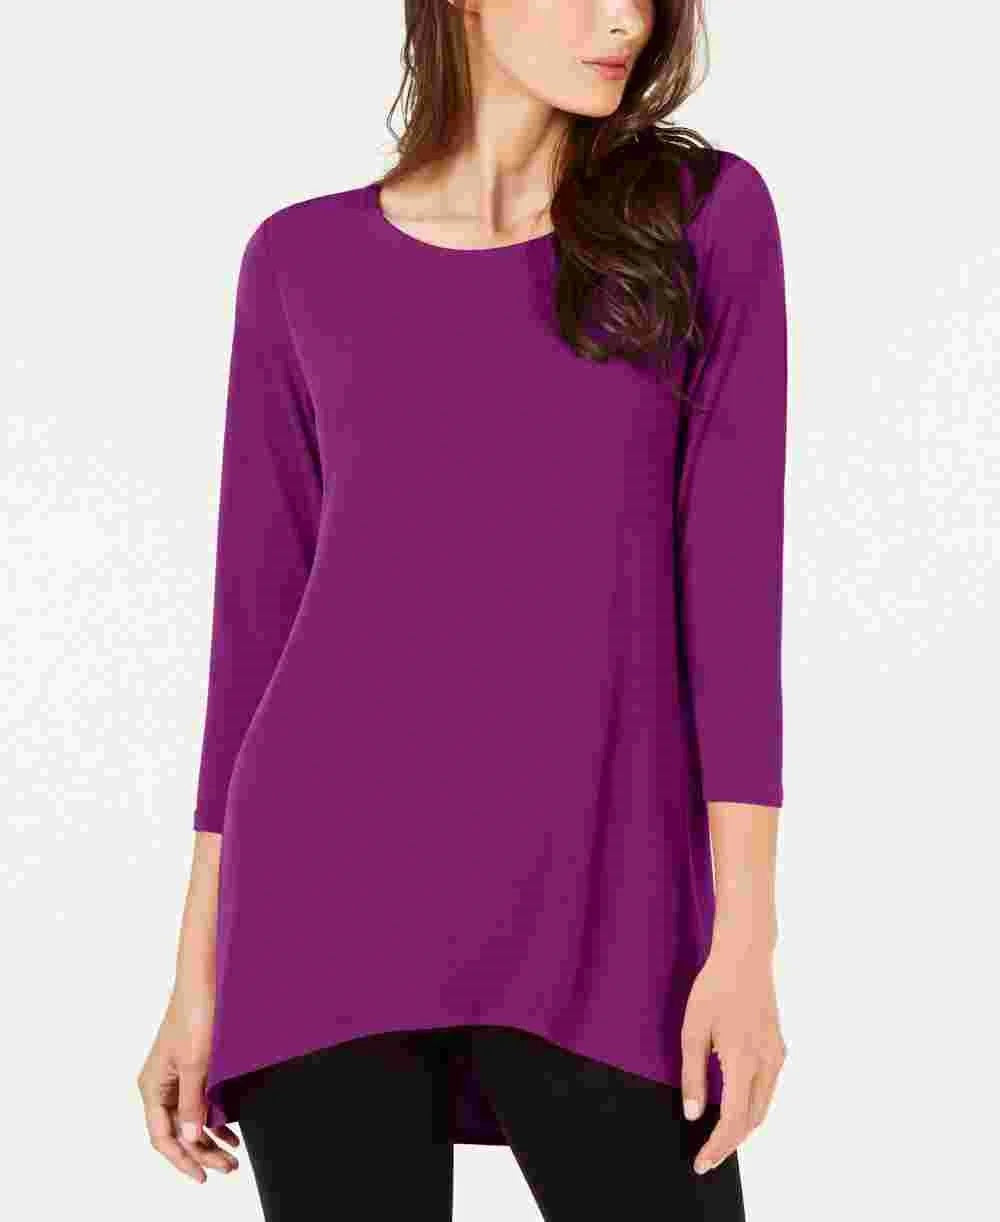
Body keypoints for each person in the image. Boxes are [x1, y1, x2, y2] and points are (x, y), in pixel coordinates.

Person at [137, 1, 789, 1217]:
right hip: (321, 902)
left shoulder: (701, 219)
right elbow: (254, 631)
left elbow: (734, 598)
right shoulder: (298, 261)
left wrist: (743, 943)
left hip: (605, 906)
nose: (626, 20)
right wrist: (196, 972)